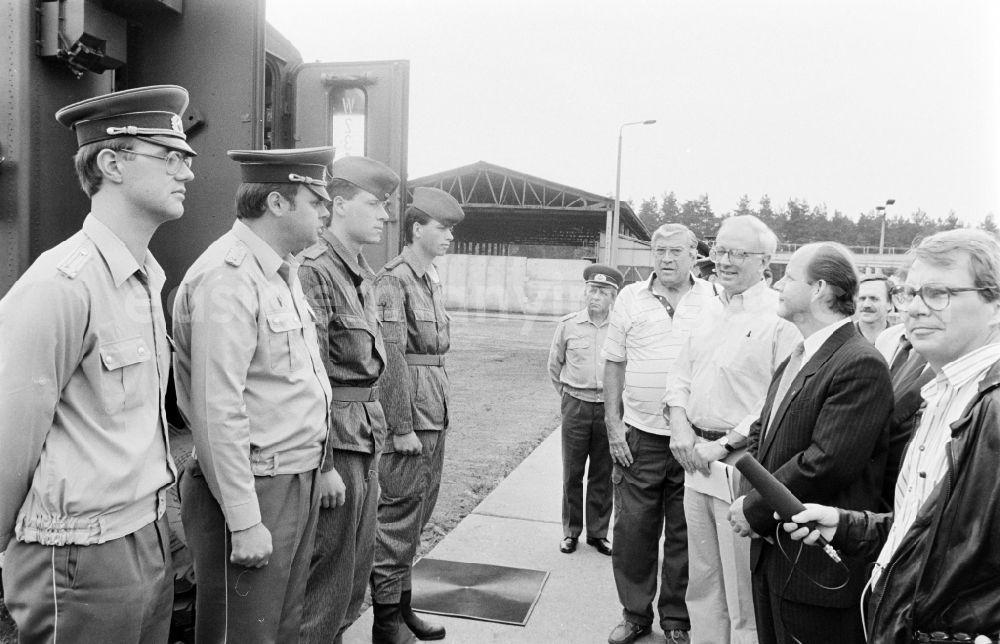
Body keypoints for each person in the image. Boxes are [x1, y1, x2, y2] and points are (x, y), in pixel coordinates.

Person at [0, 85, 195, 642]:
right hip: (79, 555)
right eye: (171, 156)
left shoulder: (143, 278)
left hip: (145, 532)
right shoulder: (61, 284)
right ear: (111, 162)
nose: (187, 172)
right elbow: (8, 438)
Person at [783, 229, 1000, 643]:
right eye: (911, 293)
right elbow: (926, 535)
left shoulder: (993, 409)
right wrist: (844, 525)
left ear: (995, 306)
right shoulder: (941, 396)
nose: (915, 309)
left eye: (938, 293)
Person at [172, 147, 339, 643]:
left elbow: (295, 387)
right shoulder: (228, 277)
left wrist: (319, 465)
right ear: (277, 203)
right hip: (254, 486)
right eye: (317, 200)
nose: (326, 211)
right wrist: (244, 521)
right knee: (242, 634)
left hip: (291, 478)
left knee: (280, 628)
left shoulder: (279, 273)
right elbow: (215, 410)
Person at [727, 243, 892, 644]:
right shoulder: (798, 356)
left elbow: (826, 462)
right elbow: (770, 437)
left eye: (789, 277)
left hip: (815, 572)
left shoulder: (859, 363)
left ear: (819, 288)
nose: (779, 284)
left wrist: (754, 509)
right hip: (777, 556)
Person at [665, 216, 800, 644]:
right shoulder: (706, 306)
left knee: (743, 586)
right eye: (720, 250)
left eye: (739, 253)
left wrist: (723, 444)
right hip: (693, 458)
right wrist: (679, 424)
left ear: (766, 261)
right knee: (702, 580)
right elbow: (680, 373)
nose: (725, 260)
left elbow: (778, 399)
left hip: (743, 462)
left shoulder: (781, 318)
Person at [298, 155, 400, 644]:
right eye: (374, 204)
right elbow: (311, 378)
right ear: (338, 205)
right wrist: (322, 465)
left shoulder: (359, 273)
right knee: (325, 581)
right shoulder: (315, 271)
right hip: (336, 442)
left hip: (365, 433)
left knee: (352, 578)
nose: (385, 215)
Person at [602, 223, 718, 644]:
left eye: (675, 252)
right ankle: (635, 614)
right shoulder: (630, 298)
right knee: (633, 531)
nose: (666, 259)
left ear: (694, 256)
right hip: (640, 436)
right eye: (659, 251)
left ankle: (676, 620)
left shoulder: (714, 299)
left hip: (693, 437)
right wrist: (614, 426)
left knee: (685, 534)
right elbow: (613, 362)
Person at [369, 186, 464, 642]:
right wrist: (401, 426)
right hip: (411, 420)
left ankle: (402, 609)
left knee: (419, 514)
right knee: (396, 519)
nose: (449, 237)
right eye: (442, 228)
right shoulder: (393, 280)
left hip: (433, 411)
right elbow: (391, 357)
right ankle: (385, 624)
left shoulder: (429, 279)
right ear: (416, 228)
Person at [548, 263, 624, 557]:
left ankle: (598, 534)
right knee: (572, 472)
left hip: (609, 407)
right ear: (584, 293)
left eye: (603, 292)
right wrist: (569, 396)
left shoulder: (621, 327)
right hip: (576, 404)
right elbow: (554, 366)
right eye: (592, 290)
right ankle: (571, 532)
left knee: (603, 473)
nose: (596, 297)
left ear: (613, 297)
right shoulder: (568, 325)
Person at [855, 275, 892, 343]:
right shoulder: (841, 339)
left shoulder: (900, 342)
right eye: (862, 298)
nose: (866, 305)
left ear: (890, 303)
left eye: (874, 299)